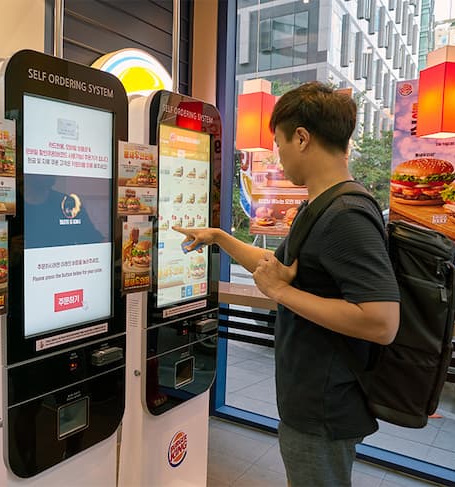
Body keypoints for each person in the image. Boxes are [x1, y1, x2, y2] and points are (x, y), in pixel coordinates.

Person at [174, 82, 400, 487]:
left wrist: (282, 294)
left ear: (302, 138)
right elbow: (276, 268)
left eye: (278, 144)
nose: (277, 157)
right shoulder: (320, 205)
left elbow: (382, 321)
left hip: (324, 407)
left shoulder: (345, 214)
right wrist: (221, 238)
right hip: (310, 399)